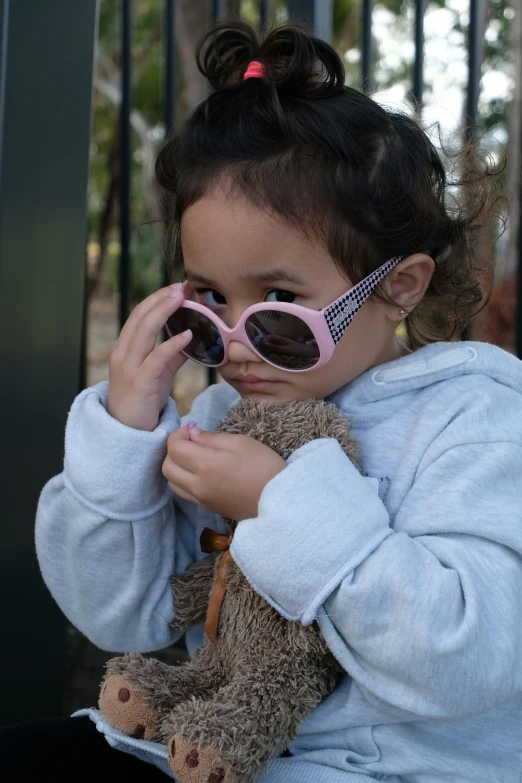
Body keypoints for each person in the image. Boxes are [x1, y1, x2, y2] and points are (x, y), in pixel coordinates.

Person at [4, 17, 522, 783]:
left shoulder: (474, 420)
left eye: (279, 301)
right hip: (198, 749)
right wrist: (123, 436)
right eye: (208, 300)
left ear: (399, 287)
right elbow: (121, 612)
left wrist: (279, 504)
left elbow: (469, 655)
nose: (237, 342)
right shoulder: (221, 418)